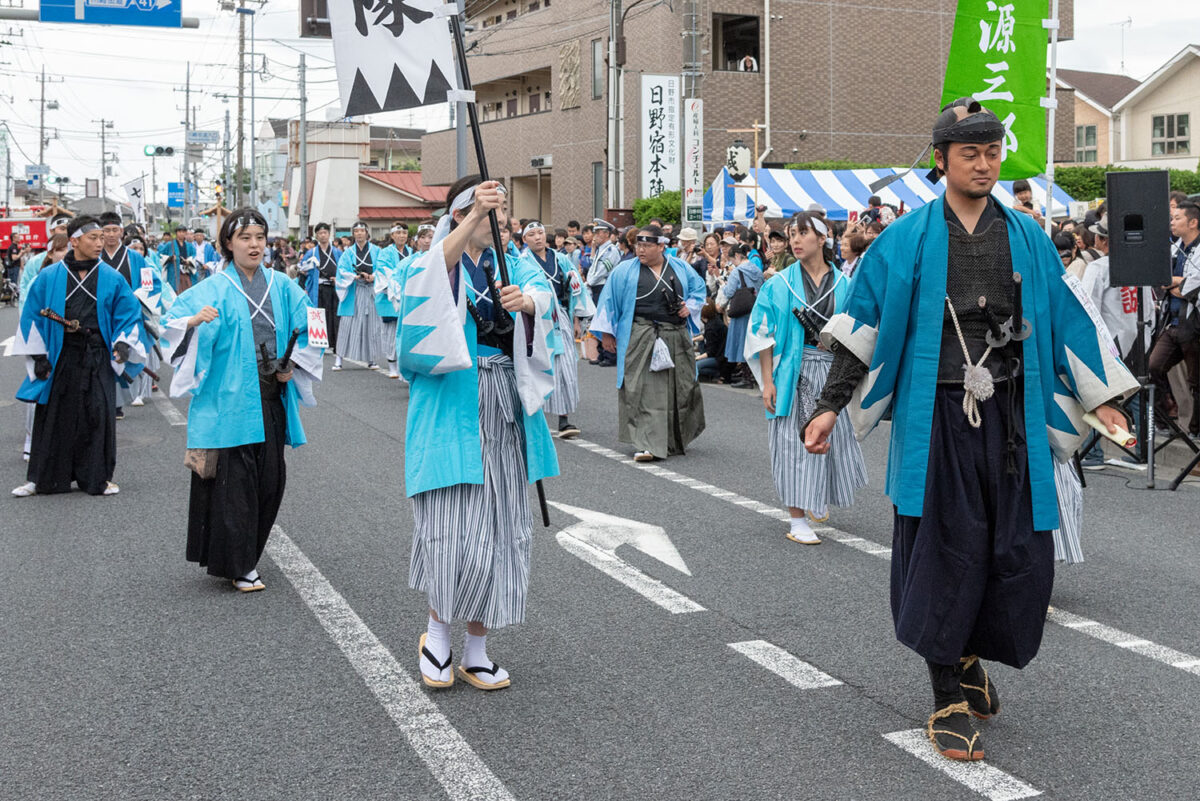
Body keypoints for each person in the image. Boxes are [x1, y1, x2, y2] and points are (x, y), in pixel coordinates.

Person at [803, 98, 1137, 763]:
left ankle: (969, 653)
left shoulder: (1029, 238)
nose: (983, 164)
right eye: (969, 153)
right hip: (938, 420)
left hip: (1011, 417)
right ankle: (945, 693)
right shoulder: (906, 238)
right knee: (944, 551)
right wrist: (829, 403)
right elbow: (860, 325)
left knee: (1013, 553)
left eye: (992, 153)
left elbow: (1071, 323)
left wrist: (1104, 400)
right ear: (940, 160)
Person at [394, 176, 559, 690]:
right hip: (452, 406)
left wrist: (529, 305)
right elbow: (423, 287)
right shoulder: (431, 260)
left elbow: (546, 295)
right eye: (490, 209)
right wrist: (470, 218)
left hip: (506, 403)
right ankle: (437, 635)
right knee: (451, 525)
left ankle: (478, 648)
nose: (500, 219)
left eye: (502, 210)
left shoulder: (512, 260)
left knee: (502, 528)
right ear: (462, 212)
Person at [163, 208, 323, 593]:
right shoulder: (212, 288)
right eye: (245, 238)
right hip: (228, 398)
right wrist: (193, 323)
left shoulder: (283, 285)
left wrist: (295, 365)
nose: (254, 245)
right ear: (228, 245)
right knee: (236, 482)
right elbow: (170, 322)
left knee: (270, 480)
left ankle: (246, 554)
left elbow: (314, 326)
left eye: (259, 238)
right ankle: (240, 564)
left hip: (270, 393)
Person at [746, 211, 865, 544]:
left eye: (803, 233)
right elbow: (762, 335)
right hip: (791, 375)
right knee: (791, 444)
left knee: (831, 442)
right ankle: (797, 517)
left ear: (823, 238)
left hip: (832, 375)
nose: (796, 240)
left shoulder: (845, 284)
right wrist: (767, 381)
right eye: (792, 234)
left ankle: (815, 496)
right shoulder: (778, 284)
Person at [12, 215, 148, 498]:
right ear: (74, 241)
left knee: (97, 414)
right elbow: (32, 317)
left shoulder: (112, 277)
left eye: (102, 238)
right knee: (55, 416)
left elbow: (129, 314)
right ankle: (45, 479)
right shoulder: (49, 276)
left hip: (97, 352)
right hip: (61, 353)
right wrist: (38, 356)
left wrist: (123, 344)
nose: (100, 243)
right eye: (93, 238)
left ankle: (97, 477)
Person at [592, 224, 707, 462]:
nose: (641, 250)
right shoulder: (624, 270)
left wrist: (691, 307)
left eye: (646, 245)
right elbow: (608, 302)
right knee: (642, 389)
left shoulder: (681, 268)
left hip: (675, 333)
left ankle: (672, 439)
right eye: (638, 245)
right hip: (641, 333)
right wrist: (606, 334)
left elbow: (699, 292)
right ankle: (646, 443)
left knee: (680, 387)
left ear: (662, 246)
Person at [520, 221, 594, 438]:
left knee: (566, 365)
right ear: (525, 240)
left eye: (540, 233)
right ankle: (536, 415)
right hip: (536, 318)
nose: (537, 237)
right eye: (531, 234)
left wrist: (577, 319)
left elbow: (575, 289)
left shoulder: (561, 259)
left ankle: (564, 418)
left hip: (560, 315)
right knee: (540, 363)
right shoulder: (522, 263)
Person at [97, 211, 163, 413]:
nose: (110, 234)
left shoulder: (135, 258)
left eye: (114, 230)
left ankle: (118, 402)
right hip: (101, 314)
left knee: (124, 355)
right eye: (106, 230)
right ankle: (106, 400)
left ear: (122, 232)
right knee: (101, 356)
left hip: (128, 314)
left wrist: (135, 296)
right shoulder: (95, 256)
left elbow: (150, 285)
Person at [17, 233, 69, 462]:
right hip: (43, 340)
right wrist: (37, 354)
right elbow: (28, 309)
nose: (66, 254)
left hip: (71, 343)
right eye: (61, 249)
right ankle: (31, 441)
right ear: (51, 252)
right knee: (39, 390)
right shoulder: (41, 275)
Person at [1150, 201, 1200, 435]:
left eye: (1177, 217)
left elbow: (1191, 287)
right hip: (1172, 322)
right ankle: (1167, 415)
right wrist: (1177, 282)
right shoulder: (1173, 248)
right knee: (1152, 367)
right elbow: (1163, 282)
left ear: (1193, 222)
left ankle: (1193, 430)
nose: (1172, 222)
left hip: (1194, 324)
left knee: (1196, 382)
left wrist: (1178, 282)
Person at [333, 221, 386, 371]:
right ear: (353, 234)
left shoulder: (376, 251)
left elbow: (382, 268)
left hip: (371, 290)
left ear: (367, 233)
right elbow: (341, 271)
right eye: (356, 231)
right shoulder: (348, 253)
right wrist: (353, 277)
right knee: (347, 324)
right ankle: (339, 359)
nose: (360, 233)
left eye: (362, 231)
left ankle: (371, 358)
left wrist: (373, 276)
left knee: (372, 325)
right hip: (354, 290)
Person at [720, 243, 765, 389]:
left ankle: (747, 378)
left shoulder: (736, 271)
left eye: (732, 259)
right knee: (753, 342)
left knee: (741, 343)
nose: (732, 263)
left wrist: (723, 284)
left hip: (741, 310)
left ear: (737, 256)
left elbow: (729, 292)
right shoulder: (757, 270)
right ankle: (752, 375)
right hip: (755, 309)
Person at [300, 222, 343, 353]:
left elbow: (344, 269)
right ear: (316, 236)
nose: (323, 235)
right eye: (320, 233)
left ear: (329, 234)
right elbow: (302, 268)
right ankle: (321, 343)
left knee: (335, 314)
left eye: (325, 233)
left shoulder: (337, 252)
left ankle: (336, 344)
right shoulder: (311, 252)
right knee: (320, 314)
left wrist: (339, 279)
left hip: (334, 287)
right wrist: (309, 266)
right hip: (319, 287)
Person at [19, 214, 72, 310]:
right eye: (62, 228)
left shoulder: (81, 258)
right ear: (51, 231)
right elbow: (25, 292)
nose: (66, 233)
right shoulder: (35, 262)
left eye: (70, 229)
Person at [158, 226, 196, 292]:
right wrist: (170, 258)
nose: (181, 233)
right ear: (176, 233)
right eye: (179, 232)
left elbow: (193, 256)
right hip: (174, 271)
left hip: (186, 271)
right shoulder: (170, 244)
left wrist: (188, 261)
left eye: (183, 232)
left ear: (185, 233)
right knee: (174, 291)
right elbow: (160, 255)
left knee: (187, 290)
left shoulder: (189, 245)